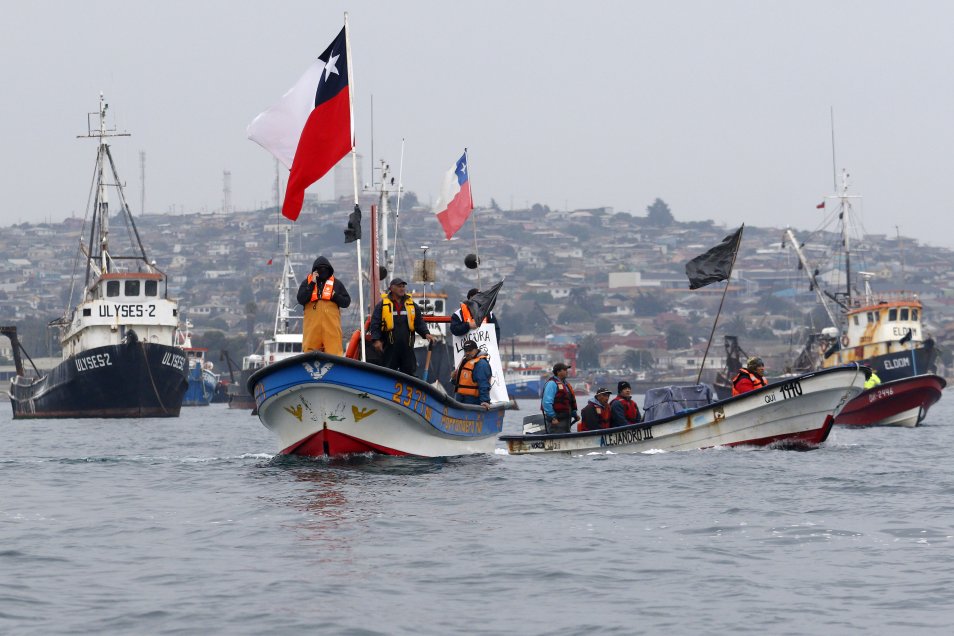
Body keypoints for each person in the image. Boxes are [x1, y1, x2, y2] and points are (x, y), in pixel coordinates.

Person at [369, 277, 434, 375]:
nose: (402, 288)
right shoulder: (382, 306)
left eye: (403, 286)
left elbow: (419, 322)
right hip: (389, 348)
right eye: (399, 286)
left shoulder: (412, 305)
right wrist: (376, 340)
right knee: (387, 373)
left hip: (407, 348)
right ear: (391, 288)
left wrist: (426, 334)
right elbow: (375, 324)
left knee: (409, 373)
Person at [296, 256, 351, 356]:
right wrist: (312, 283)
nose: (322, 271)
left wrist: (335, 296)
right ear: (314, 271)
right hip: (312, 328)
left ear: (329, 270)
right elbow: (301, 299)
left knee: (334, 352)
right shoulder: (307, 283)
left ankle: (335, 369)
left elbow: (346, 302)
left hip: (331, 328)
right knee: (309, 352)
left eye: (325, 268)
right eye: (319, 269)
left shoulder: (337, 284)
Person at [451, 340, 492, 409]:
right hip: (459, 402)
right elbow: (461, 383)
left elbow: (483, 384)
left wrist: (485, 401)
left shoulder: (481, 364)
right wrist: (454, 378)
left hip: (472, 403)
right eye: (466, 350)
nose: (467, 353)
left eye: (470, 350)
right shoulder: (465, 361)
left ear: (476, 350)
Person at [541, 362, 578, 433]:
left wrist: (574, 414)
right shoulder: (552, 384)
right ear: (558, 372)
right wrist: (553, 417)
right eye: (565, 370)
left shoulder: (566, 384)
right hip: (556, 420)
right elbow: (546, 402)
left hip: (566, 419)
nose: (567, 372)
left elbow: (569, 401)